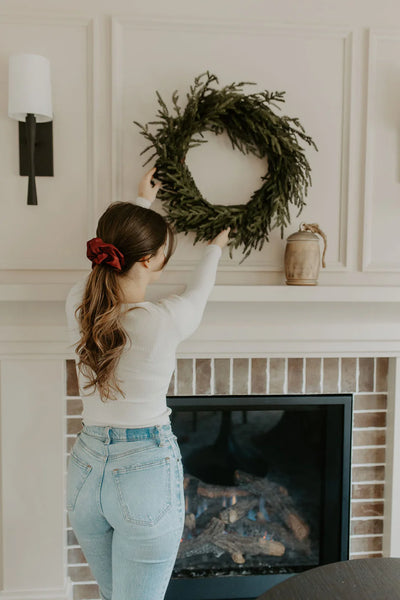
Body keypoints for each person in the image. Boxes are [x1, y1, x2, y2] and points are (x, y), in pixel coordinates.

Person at [65, 166, 230, 600]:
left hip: (84, 471)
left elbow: (110, 260)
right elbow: (199, 293)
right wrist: (214, 247)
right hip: (143, 471)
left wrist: (142, 203)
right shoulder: (160, 321)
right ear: (150, 260)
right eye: (162, 252)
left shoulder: (77, 304)